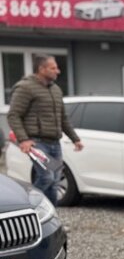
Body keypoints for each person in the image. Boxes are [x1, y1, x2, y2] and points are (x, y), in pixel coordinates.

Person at [8, 55, 82, 205]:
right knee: (46, 177)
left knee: (55, 181)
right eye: (53, 68)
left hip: (55, 143)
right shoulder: (25, 87)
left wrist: (75, 139)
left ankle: (49, 218)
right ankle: (24, 205)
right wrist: (23, 139)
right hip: (37, 143)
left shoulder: (55, 90)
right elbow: (13, 115)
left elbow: (63, 118)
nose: (58, 71)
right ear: (41, 69)